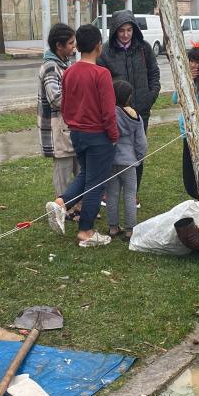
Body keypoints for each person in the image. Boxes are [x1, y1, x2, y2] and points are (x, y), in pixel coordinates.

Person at [45, 24, 118, 248]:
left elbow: (65, 105)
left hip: (77, 134)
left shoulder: (69, 72)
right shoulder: (101, 73)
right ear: (99, 46)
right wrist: (113, 135)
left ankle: (61, 202)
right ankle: (85, 230)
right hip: (98, 136)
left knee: (86, 175)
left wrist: (73, 123)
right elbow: (108, 111)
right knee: (96, 183)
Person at [97, 10, 161, 195]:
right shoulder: (106, 53)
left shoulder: (144, 48)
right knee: (114, 151)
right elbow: (103, 84)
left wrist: (151, 96)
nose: (125, 35)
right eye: (121, 30)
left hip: (141, 111)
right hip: (116, 114)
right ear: (115, 30)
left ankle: (133, 192)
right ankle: (111, 191)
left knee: (138, 151)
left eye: (129, 30)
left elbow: (154, 73)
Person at [38, 23, 80, 214]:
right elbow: (55, 99)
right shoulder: (51, 67)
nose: (74, 46)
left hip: (68, 126)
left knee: (77, 168)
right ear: (59, 46)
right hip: (58, 128)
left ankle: (77, 206)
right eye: (70, 43)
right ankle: (65, 210)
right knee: (63, 172)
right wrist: (81, 99)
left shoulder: (63, 63)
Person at [173, 41, 199, 200]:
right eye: (191, 60)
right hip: (187, 133)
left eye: (197, 61)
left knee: (198, 181)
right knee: (189, 180)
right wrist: (186, 81)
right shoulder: (189, 79)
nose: (193, 64)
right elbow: (175, 99)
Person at [107, 80, 147, 242]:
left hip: (111, 160)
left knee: (112, 194)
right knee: (130, 195)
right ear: (128, 97)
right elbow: (141, 142)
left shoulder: (109, 114)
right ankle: (130, 229)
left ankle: (113, 227)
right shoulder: (135, 116)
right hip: (129, 163)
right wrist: (140, 156)